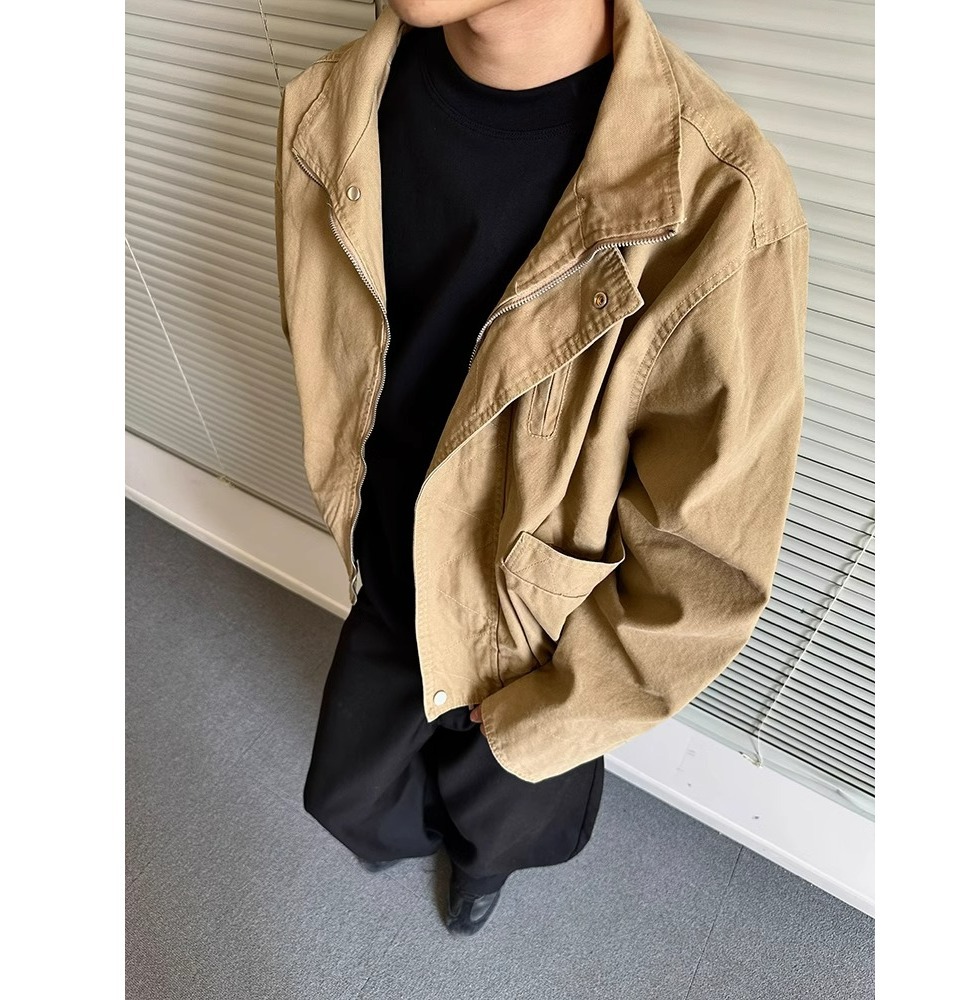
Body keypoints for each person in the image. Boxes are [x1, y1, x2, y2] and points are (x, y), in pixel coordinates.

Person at [273, 0, 808, 936]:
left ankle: (482, 875)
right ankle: (420, 835)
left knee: (508, 810)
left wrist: (564, 705)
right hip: (389, 575)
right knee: (352, 796)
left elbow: (705, 562)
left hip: (541, 639)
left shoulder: (721, 203)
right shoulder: (334, 106)